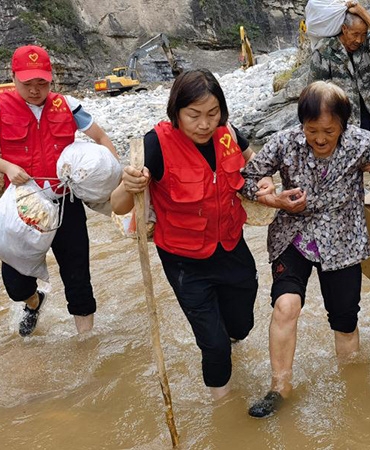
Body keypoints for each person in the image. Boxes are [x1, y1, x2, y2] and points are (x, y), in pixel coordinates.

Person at [241, 81, 370, 418]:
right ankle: (280, 387)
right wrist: (273, 198)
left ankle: (353, 388)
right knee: (285, 305)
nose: (320, 139)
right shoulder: (283, 142)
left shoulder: (361, 143)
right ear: (302, 124)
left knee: (345, 321)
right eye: (312, 130)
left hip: (343, 239)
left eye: (329, 131)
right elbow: (246, 179)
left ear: (343, 125)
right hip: (293, 234)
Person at [110, 69, 272, 400]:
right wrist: (129, 185)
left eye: (213, 113)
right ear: (176, 111)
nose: (204, 124)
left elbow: (253, 163)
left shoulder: (228, 133)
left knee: (241, 326)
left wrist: (265, 180)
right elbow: (118, 204)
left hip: (231, 246)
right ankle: (222, 410)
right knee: (214, 345)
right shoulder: (155, 144)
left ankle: (228, 338)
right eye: (194, 115)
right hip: (184, 261)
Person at [0, 45, 118, 336]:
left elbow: (100, 138)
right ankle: (33, 302)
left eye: (42, 83)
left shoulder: (68, 105)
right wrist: (7, 167)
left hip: (65, 204)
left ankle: (86, 343)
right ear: (13, 77)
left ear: (51, 79)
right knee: (16, 284)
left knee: (78, 277)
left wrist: (113, 176)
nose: (35, 90)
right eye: (27, 83)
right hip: (21, 207)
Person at [308, 1, 370, 132]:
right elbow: (315, 90)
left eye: (363, 34)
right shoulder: (324, 49)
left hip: (368, 109)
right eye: (355, 34)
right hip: (342, 116)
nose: (359, 40)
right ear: (344, 29)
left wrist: (361, 11)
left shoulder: (363, 44)